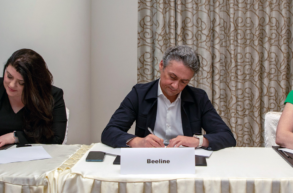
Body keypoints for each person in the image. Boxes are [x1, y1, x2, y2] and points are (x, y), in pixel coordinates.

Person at [101, 45, 236, 150]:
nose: (176, 86)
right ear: (161, 66)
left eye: (184, 81)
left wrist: (198, 141)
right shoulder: (139, 93)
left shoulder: (198, 98)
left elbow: (227, 137)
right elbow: (109, 132)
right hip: (149, 159)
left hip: (185, 161)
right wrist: (138, 141)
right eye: (172, 77)